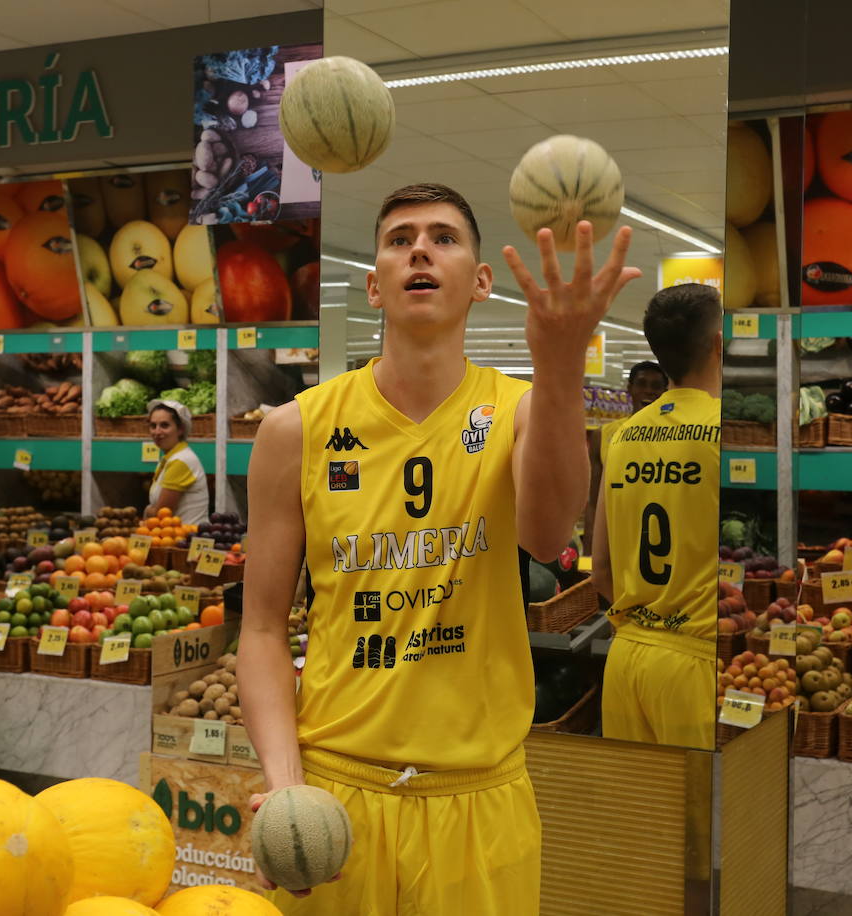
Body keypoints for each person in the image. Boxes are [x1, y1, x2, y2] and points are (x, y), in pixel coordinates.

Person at [238, 182, 640, 914]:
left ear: (482, 282)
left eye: (444, 237)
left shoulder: (519, 411)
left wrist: (560, 363)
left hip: (480, 801)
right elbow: (263, 627)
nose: (420, 249)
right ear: (373, 286)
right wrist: (286, 782)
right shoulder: (294, 430)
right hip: (335, 797)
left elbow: (549, 535)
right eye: (399, 239)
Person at [592, 282, 722, 750]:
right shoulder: (729, 433)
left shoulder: (620, 437)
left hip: (627, 658)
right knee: (710, 821)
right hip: (699, 663)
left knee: (642, 818)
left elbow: (601, 569)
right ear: (719, 345)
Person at [583, 360, 668, 554]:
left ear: (665, 392)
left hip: (659, 539)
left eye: (656, 386)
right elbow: (594, 501)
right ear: (630, 388)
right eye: (641, 384)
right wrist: (589, 550)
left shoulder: (676, 435)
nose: (648, 391)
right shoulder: (602, 435)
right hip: (614, 537)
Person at [142, 399, 210, 527]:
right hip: (171, 536)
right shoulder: (171, 457)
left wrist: (148, 510)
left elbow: (161, 513)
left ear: (180, 429)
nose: (157, 432)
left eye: (164, 425)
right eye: (153, 426)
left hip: (185, 539)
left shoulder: (181, 461)